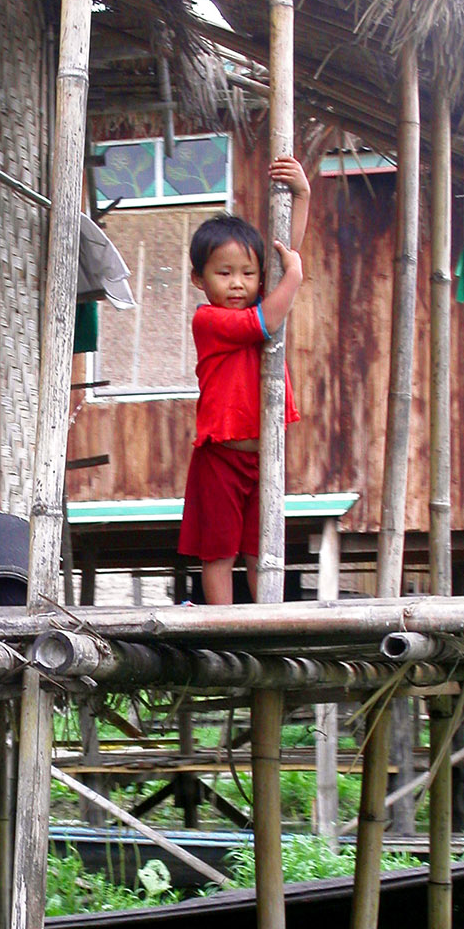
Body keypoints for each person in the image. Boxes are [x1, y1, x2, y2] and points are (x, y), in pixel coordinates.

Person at [178, 156, 311, 605]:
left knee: (261, 550)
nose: (238, 283)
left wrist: (303, 195)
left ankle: (265, 621)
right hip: (221, 456)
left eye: (248, 274)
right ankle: (223, 628)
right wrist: (294, 277)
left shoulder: (258, 299)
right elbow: (267, 321)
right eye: (224, 273)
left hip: (265, 456)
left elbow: (283, 253)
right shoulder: (210, 320)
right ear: (199, 279)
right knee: (220, 551)